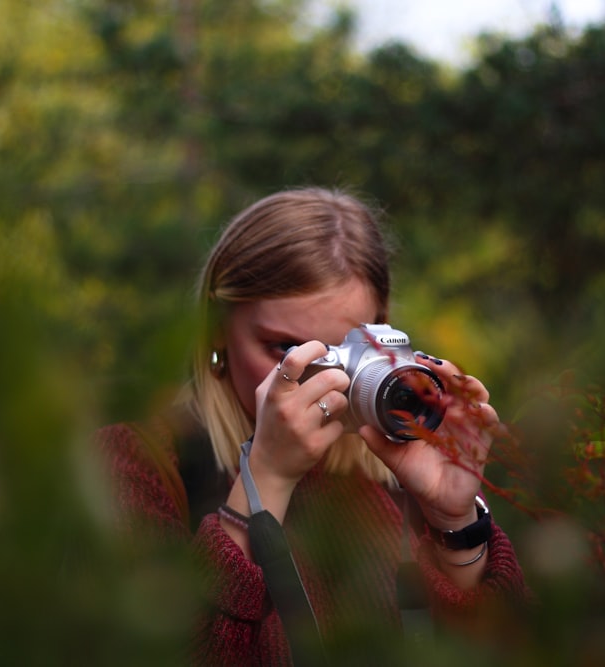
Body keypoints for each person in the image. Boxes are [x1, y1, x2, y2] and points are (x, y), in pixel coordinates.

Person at [98, 187, 527, 664]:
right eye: (285, 349)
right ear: (215, 328)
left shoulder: (394, 473)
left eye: (341, 349)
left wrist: (455, 523)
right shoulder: (135, 467)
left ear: (380, 334)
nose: (310, 376)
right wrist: (264, 481)